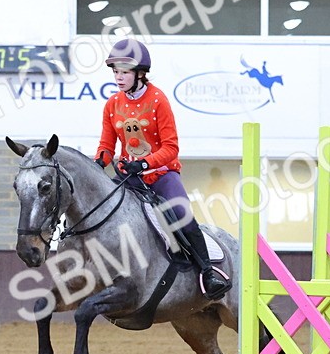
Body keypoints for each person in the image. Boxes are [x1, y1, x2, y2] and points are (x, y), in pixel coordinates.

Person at [94, 39, 231, 300]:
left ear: (140, 73)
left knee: (181, 213)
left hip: (161, 175)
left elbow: (171, 148)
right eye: (116, 72)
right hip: (129, 177)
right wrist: (99, 162)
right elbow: (106, 146)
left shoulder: (158, 100)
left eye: (124, 72)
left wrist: (145, 163)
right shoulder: (112, 104)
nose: (119, 77)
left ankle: (208, 272)